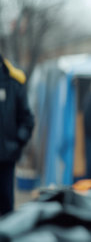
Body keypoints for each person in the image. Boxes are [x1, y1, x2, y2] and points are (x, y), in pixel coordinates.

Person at [0, 55, 34, 215]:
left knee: (6, 204)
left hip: (6, 157)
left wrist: (17, 142)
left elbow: (27, 119)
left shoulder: (14, 82)